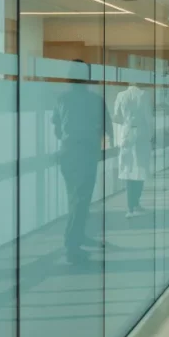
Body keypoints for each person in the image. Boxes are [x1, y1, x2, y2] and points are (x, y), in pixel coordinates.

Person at [52, 60, 113, 263]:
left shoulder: (62, 98)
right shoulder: (95, 100)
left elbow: (57, 129)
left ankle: (78, 236)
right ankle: (72, 244)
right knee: (81, 199)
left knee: (75, 198)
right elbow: (107, 126)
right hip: (86, 153)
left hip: (68, 153)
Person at [113, 80, 153, 218]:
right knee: (141, 169)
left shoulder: (121, 95)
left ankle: (130, 207)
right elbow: (148, 117)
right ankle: (135, 203)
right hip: (141, 133)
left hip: (126, 134)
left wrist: (126, 122)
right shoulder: (145, 95)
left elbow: (117, 117)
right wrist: (151, 134)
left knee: (128, 170)